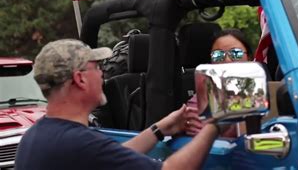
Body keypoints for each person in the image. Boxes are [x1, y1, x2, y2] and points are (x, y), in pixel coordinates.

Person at [15, 39, 223, 170]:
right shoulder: (79, 142)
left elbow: (115, 156)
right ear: (80, 79)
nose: (102, 73)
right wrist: (217, 122)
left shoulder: (37, 135)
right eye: (96, 67)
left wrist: (160, 129)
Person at [185, 29, 252, 136]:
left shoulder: (266, 92)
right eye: (218, 55)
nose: (227, 60)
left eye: (236, 53)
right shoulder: (200, 100)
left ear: (249, 58)